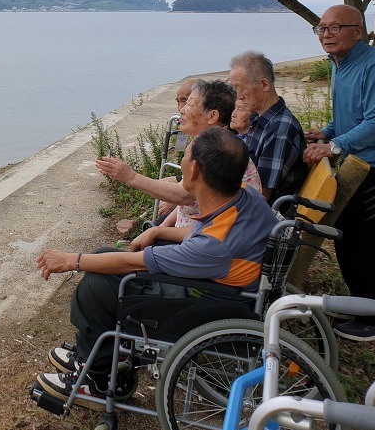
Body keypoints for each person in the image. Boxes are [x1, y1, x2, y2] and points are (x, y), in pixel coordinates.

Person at [35, 128, 279, 403]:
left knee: (96, 286)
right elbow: (207, 236)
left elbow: (134, 262)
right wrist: (159, 231)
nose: (182, 160)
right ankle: (95, 354)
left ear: (195, 170)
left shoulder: (212, 247)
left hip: (205, 306)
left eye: (186, 155)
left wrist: (72, 261)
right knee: (102, 256)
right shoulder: (245, 195)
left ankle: (96, 381)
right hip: (228, 293)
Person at [303, 5, 375, 342]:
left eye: (335, 27)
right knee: (347, 233)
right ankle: (360, 304)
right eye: (322, 28)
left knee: (373, 240)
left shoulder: (374, 63)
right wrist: (326, 132)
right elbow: (351, 115)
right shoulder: (338, 63)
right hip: (359, 161)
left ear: (358, 31)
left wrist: (334, 146)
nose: (326, 34)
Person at [98, 80, 261, 229]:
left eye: (188, 103)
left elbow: (184, 196)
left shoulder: (217, 150)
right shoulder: (211, 140)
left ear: (212, 116)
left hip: (208, 240)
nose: (181, 110)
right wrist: (162, 227)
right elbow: (189, 200)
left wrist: (131, 177)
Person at [229, 51, 307, 203]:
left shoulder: (280, 129)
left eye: (242, 88)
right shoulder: (258, 118)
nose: (239, 96)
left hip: (259, 211)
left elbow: (261, 194)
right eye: (235, 89)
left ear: (264, 85)